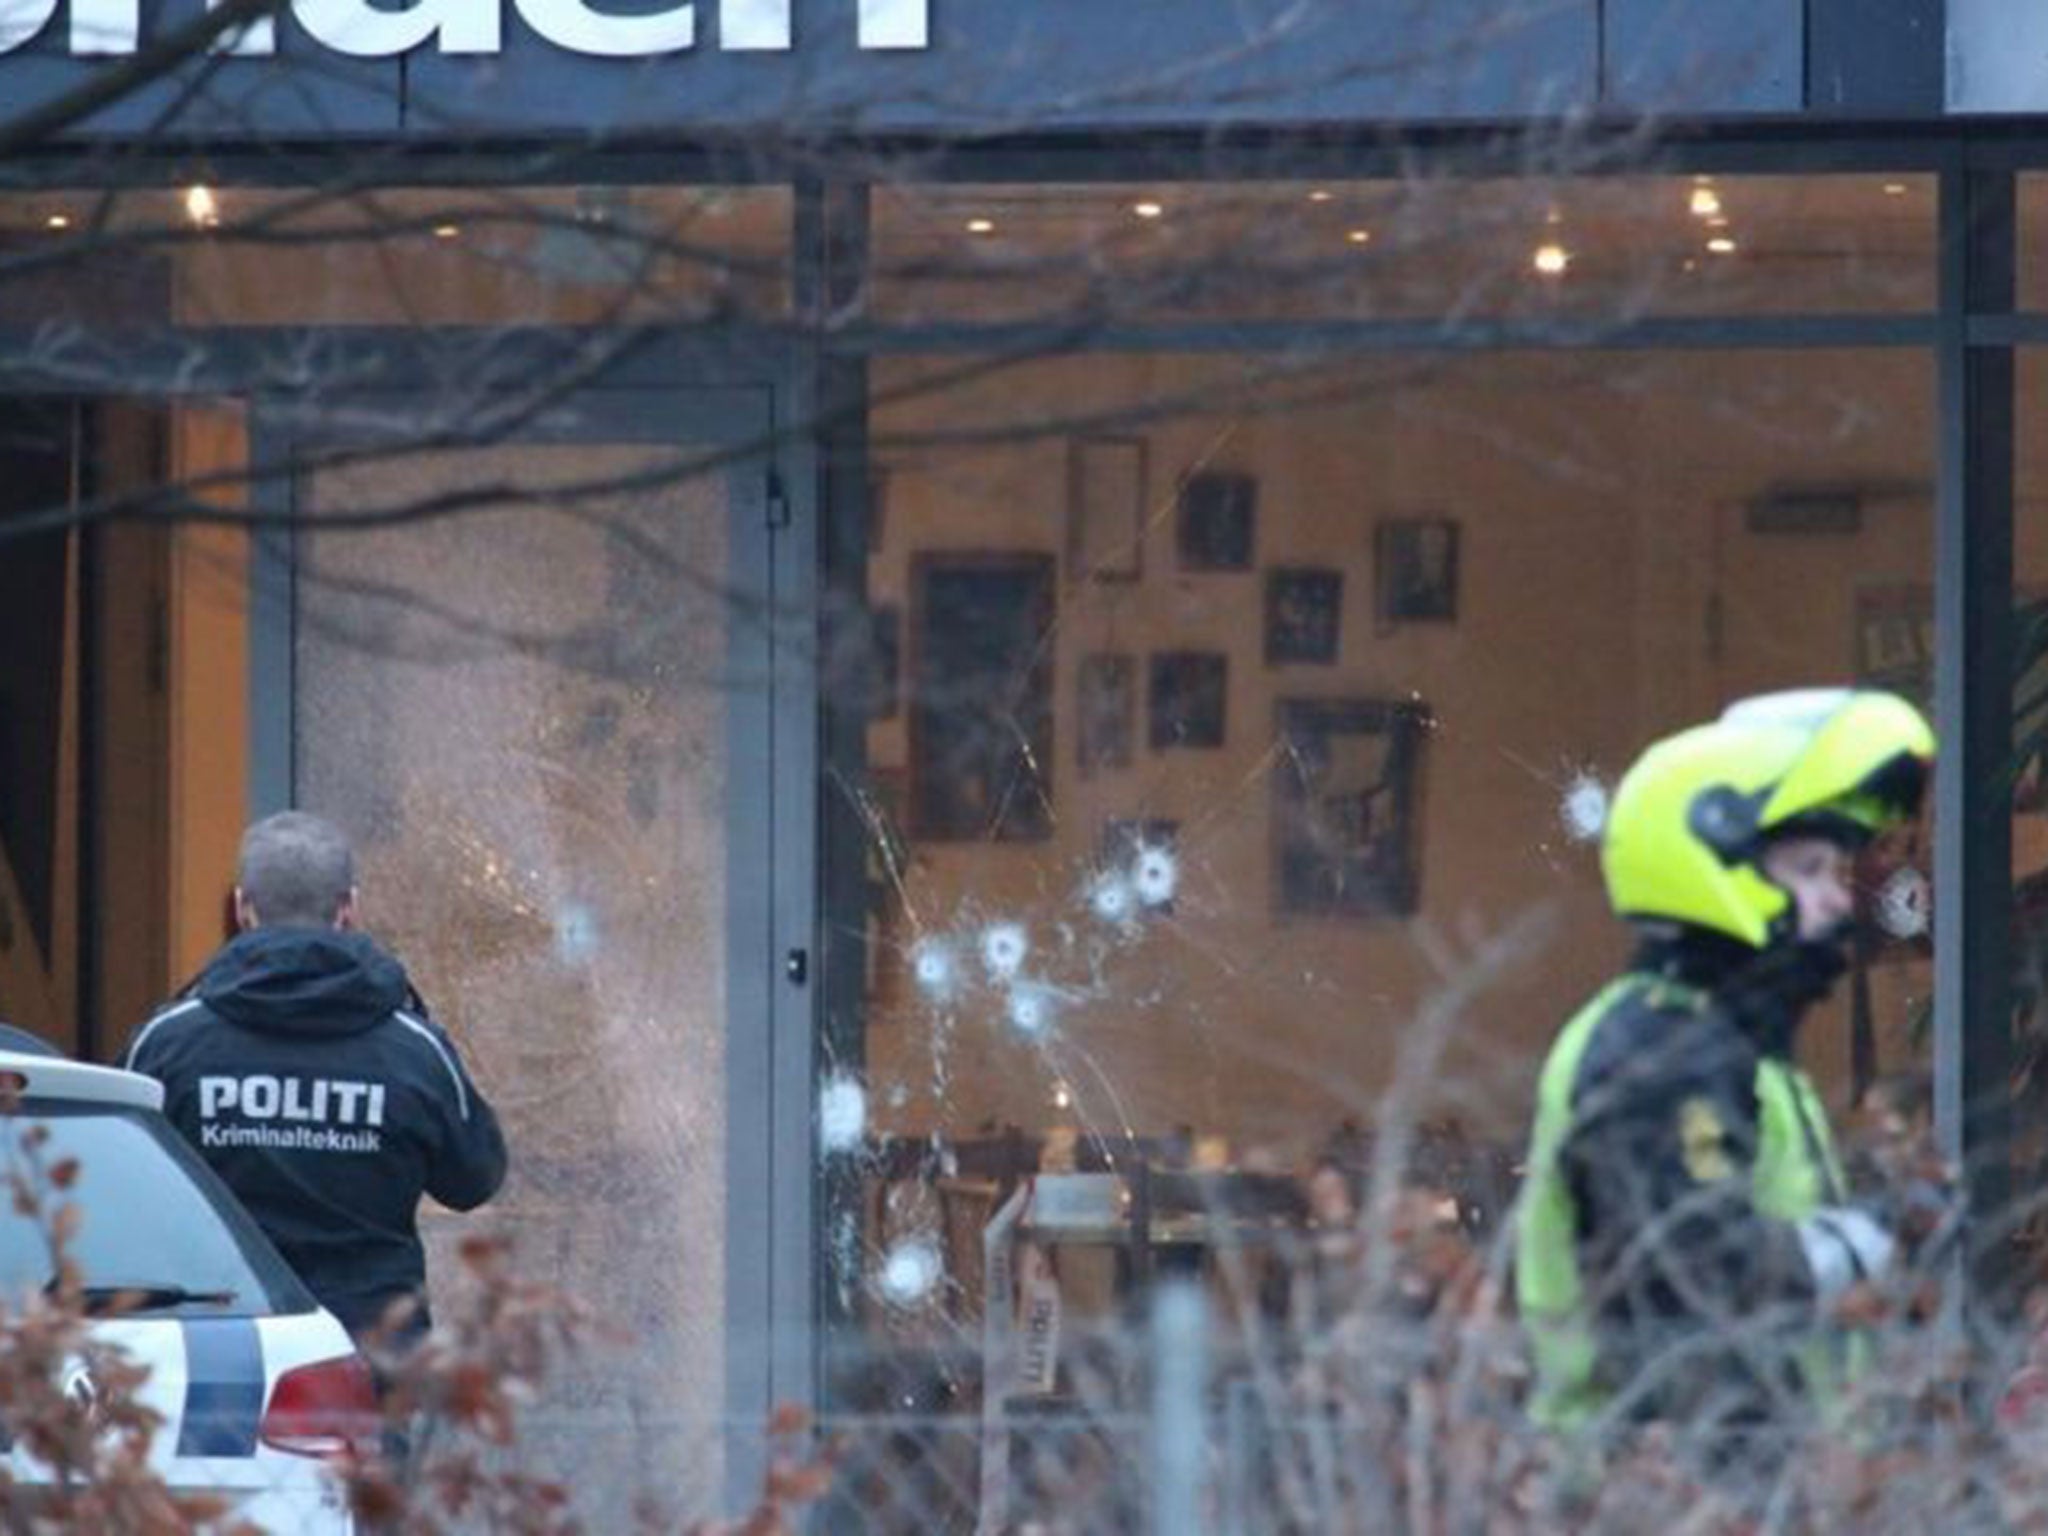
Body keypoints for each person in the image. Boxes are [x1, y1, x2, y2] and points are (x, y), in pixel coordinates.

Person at [1515, 688, 1934, 1468]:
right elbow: (1696, 1283)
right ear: (1714, 863)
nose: (1839, 897)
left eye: (1840, 869)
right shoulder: (1662, 1049)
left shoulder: (1727, 1047)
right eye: (1812, 868)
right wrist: (1876, 1234)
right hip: (1658, 1498)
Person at [121, 811, 507, 1351]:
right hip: (373, 1358)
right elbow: (474, 1180)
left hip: (219, 1354)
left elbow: (124, 1193)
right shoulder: (413, 1050)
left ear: (242, 908)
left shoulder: (167, 1044)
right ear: (349, 910)